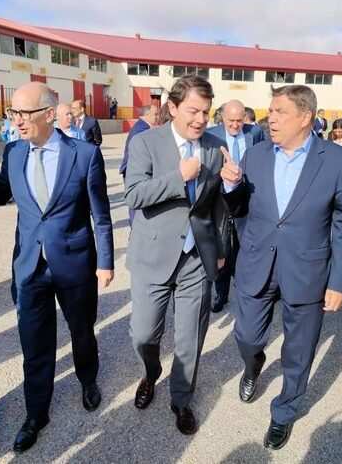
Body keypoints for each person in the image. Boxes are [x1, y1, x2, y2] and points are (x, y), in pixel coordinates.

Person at [220, 85, 342, 450]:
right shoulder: (256, 154)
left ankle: (284, 411)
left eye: (280, 112)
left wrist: (339, 281)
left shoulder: (336, 160)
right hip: (257, 262)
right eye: (270, 111)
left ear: (306, 116)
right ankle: (253, 365)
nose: (271, 118)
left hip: (307, 269)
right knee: (247, 336)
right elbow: (240, 210)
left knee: (299, 350)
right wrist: (231, 187)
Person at [0, 82, 114, 452]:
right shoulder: (13, 152)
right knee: (34, 343)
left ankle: (88, 379)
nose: (16, 121)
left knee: (82, 330)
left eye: (23, 113)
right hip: (30, 265)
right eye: (12, 113)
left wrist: (105, 262)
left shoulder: (85, 154)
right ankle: (36, 414)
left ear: (48, 114)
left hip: (74, 262)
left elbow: (101, 215)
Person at [124, 75, 227, 435]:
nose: (201, 119)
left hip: (196, 258)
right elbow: (134, 195)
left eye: (206, 112)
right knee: (143, 334)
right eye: (193, 111)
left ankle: (181, 399)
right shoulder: (145, 142)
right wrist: (178, 177)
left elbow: (218, 204)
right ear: (172, 107)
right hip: (152, 255)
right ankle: (150, 373)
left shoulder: (215, 146)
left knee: (189, 337)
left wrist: (220, 249)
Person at [206, 99, 264, 313]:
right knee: (222, 249)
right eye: (231, 120)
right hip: (220, 199)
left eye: (240, 120)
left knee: (245, 248)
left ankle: (245, 292)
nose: (235, 125)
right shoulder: (211, 135)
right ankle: (220, 294)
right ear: (222, 117)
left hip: (245, 199)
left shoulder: (254, 133)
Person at [119, 104, 159, 226]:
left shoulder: (143, 127)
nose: (158, 117)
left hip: (132, 170)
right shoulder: (142, 130)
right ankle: (135, 228)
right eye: (155, 114)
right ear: (146, 115)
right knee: (136, 204)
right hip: (134, 171)